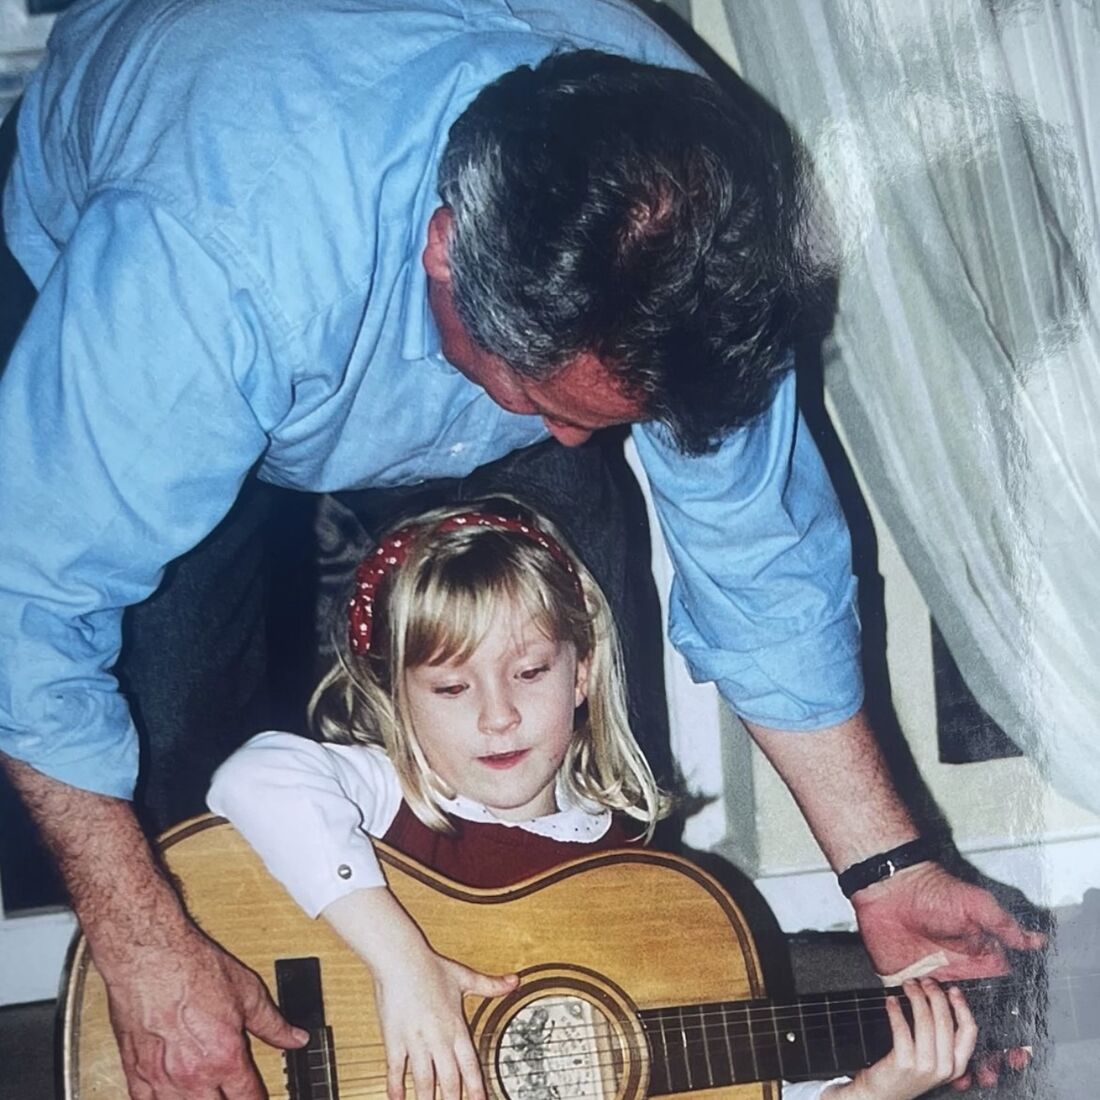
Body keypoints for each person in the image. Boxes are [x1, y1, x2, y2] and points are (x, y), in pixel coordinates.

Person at [0, 2, 1041, 1097]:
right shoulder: (212, 258)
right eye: (551, 400)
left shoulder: (701, 231)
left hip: (401, 277)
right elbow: (24, 600)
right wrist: (143, 935)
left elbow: (765, 569)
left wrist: (884, 869)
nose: (573, 440)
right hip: (170, 244)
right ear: (444, 262)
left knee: (572, 605)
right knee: (162, 731)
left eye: (610, 411)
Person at [208, 500, 980, 1100]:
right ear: (398, 701)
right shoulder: (386, 797)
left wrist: (878, 1086)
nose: (496, 714)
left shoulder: (635, 888)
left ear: (580, 675)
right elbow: (253, 777)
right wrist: (404, 966)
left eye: (531, 672)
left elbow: (729, 1084)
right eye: (450, 687)